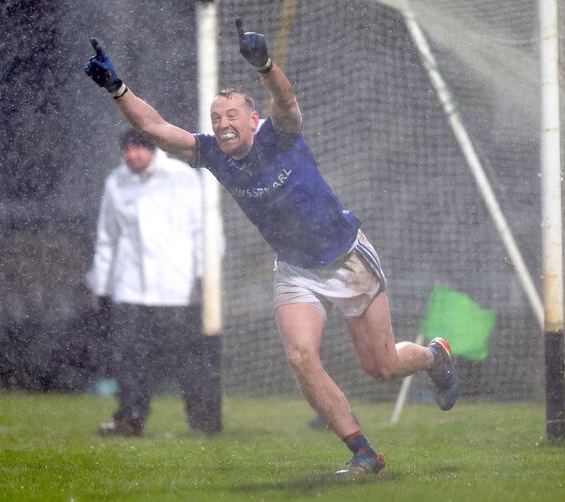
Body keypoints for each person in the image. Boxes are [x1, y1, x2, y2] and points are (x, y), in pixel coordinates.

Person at [84, 19, 458, 475]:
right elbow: (158, 128)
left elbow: (286, 100)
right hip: (295, 269)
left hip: (348, 259)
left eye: (232, 116)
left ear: (253, 119)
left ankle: (435, 356)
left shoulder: (280, 134)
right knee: (301, 356)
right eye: (216, 117)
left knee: (379, 367)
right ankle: (363, 452)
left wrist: (264, 65)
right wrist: (118, 89)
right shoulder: (212, 153)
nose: (222, 124)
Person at [86, 129, 224, 437]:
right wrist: (100, 285)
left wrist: (207, 277)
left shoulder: (183, 178)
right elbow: (107, 238)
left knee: (189, 360)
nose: (131, 156)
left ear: (153, 149)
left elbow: (205, 230)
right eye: (127, 150)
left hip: (178, 287)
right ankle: (129, 419)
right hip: (131, 287)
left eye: (138, 149)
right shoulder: (116, 182)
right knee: (129, 358)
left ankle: (204, 424)